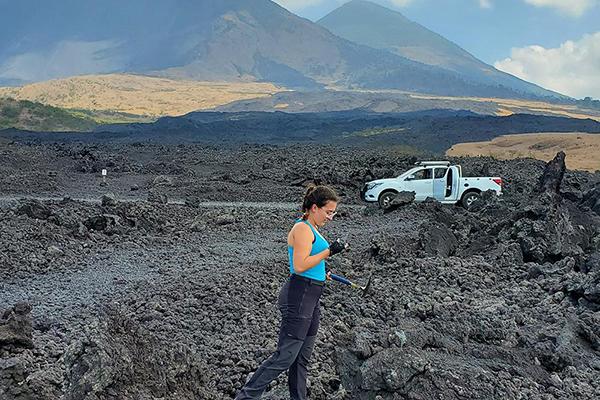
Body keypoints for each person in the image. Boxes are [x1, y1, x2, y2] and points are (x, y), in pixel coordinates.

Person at [235, 184, 348, 400]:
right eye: (329, 212)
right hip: (299, 295)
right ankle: (245, 397)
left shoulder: (312, 228)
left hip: (312, 296)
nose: (331, 217)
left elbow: (311, 263)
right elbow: (299, 265)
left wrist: (323, 271)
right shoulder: (302, 229)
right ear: (314, 207)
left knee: (301, 358)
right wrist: (329, 251)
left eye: (334, 212)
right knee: (285, 356)